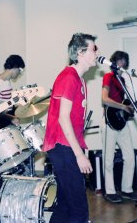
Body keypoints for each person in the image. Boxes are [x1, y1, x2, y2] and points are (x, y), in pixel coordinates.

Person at [43, 33, 97, 222]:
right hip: (63, 147)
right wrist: (79, 154)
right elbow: (63, 119)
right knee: (78, 208)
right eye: (94, 49)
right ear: (81, 52)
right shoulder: (68, 77)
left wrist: (81, 148)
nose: (97, 53)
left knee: (66, 205)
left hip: (68, 147)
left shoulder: (79, 79)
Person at [101, 51, 137, 203]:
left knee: (130, 157)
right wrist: (122, 106)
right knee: (108, 159)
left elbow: (127, 106)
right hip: (109, 122)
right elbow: (105, 99)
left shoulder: (123, 81)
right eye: (120, 60)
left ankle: (127, 189)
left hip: (121, 123)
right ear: (114, 61)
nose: (122, 63)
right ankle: (110, 191)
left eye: (124, 60)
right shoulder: (108, 77)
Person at [0, 54, 25, 131]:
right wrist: (11, 118)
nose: (20, 73)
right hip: (0, 123)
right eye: (20, 70)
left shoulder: (6, 81)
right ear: (15, 67)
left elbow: (6, 104)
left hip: (7, 119)